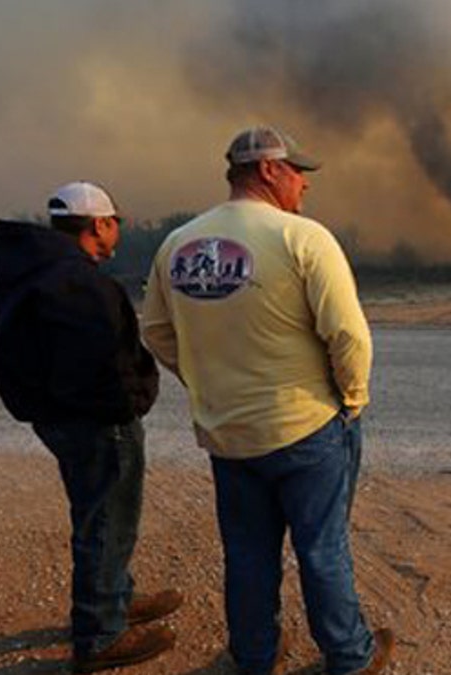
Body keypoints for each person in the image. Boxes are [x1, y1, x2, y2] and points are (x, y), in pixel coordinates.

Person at [141, 127, 393, 675]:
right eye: (298, 172)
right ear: (268, 170)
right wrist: (352, 399)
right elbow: (348, 335)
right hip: (305, 428)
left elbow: (157, 332)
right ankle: (350, 658)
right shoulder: (303, 238)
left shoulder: (177, 245)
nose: (305, 184)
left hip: (228, 434)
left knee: (249, 554)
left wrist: (207, 381)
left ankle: (254, 657)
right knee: (323, 551)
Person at [0, 181, 183, 673]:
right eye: (115, 221)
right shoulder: (80, 283)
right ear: (99, 224)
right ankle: (99, 634)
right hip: (96, 423)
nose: (118, 230)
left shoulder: (30, 272)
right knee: (106, 520)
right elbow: (102, 364)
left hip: (55, 417)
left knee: (97, 514)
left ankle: (114, 598)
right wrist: (133, 401)